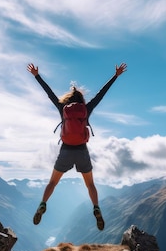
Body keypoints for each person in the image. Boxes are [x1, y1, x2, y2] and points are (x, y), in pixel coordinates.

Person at [27, 62, 127, 230]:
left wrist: (37, 76)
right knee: (90, 185)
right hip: (81, 151)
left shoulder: (63, 108)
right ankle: (96, 207)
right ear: (81, 100)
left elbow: (49, 93)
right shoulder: (86, 109)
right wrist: (115, 76)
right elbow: (101, 94)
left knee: (52, 182)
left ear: (68, 99)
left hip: (66, 150)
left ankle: (43, 204)